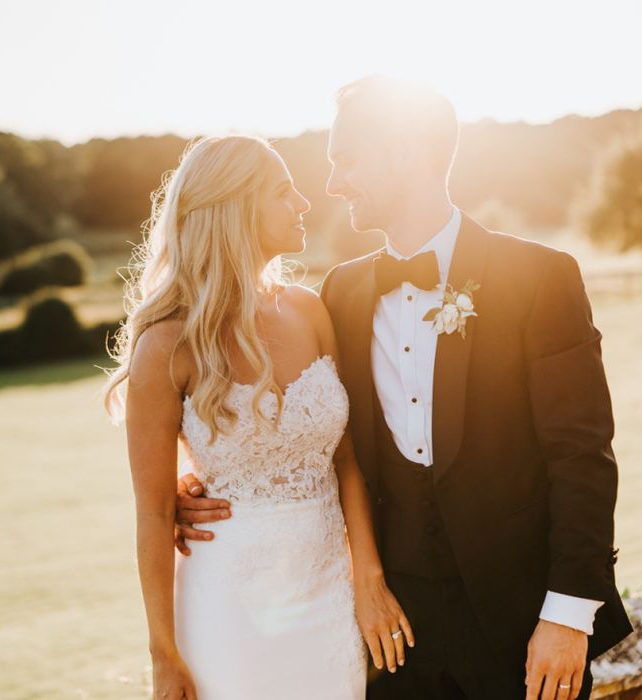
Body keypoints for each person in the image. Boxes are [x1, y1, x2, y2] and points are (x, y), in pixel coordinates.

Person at [175, 77, 634, 699]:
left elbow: (582, 458)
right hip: (393, 639)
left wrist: (568, 615)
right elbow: (315, 439)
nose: (333, 184)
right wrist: (201, 485)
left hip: (523, 632)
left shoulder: (541, 278)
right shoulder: (339, 294)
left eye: (346, 161)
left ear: (405, 154)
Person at [104, 134, 415, 700]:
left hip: (327, 597)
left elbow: (344, 459)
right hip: (228, 606)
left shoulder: (308, 311)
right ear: (234, 207)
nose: (303, 203)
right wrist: (164, 655)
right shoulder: (167, 345)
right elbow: (152, 513)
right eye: (283, 191)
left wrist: (367, 578)